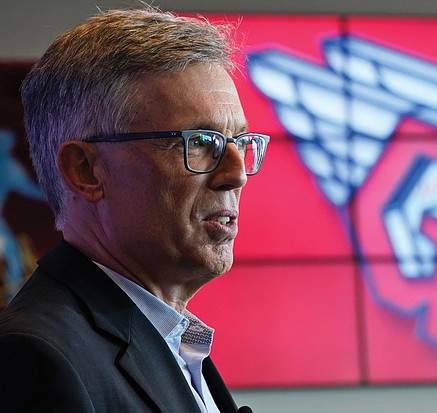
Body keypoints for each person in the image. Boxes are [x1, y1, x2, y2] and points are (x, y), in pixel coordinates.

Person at [0, 7, 268, 413]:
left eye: (239, 141)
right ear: (85, 171)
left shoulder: (176, 342)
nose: (237, 175)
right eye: (200, 142)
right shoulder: (37, 358)